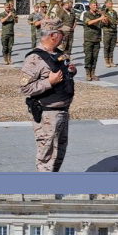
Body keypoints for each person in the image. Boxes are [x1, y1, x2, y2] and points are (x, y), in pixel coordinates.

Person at [20, 27, 77, 172]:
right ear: (53, 35)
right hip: (47, 113)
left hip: (62, 111)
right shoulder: (35, 58)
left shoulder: (57, 54)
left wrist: (70, 72)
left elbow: (61, 78)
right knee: (46, 154)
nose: (64, 37)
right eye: (62, 34)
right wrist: (49, 82)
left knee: (59, 153)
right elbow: (25, 88)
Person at [82, 0, 105, 81]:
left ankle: (93, 73)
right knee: (88, 57)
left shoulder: (98, 15)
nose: (96, 6)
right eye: (94, 5)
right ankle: (88, 73)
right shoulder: (86, 14)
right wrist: (100, 18)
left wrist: (103, 17)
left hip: (97, 39)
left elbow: (103, 24)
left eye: (96, 5)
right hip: (88, 39)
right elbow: (89, 22)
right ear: (90, 6)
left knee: (95, 57)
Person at [101, 0, 118, 68]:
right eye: (109, 4)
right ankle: (106, 61)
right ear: (106, 4)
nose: (111, 5)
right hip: (107, 31)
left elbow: (116, 20)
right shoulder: (104, 12)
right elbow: (102, 12)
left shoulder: (114, 12)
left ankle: (111, 61)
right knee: (106, 47)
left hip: (114, 31)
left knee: (112, 47)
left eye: (111, 4)